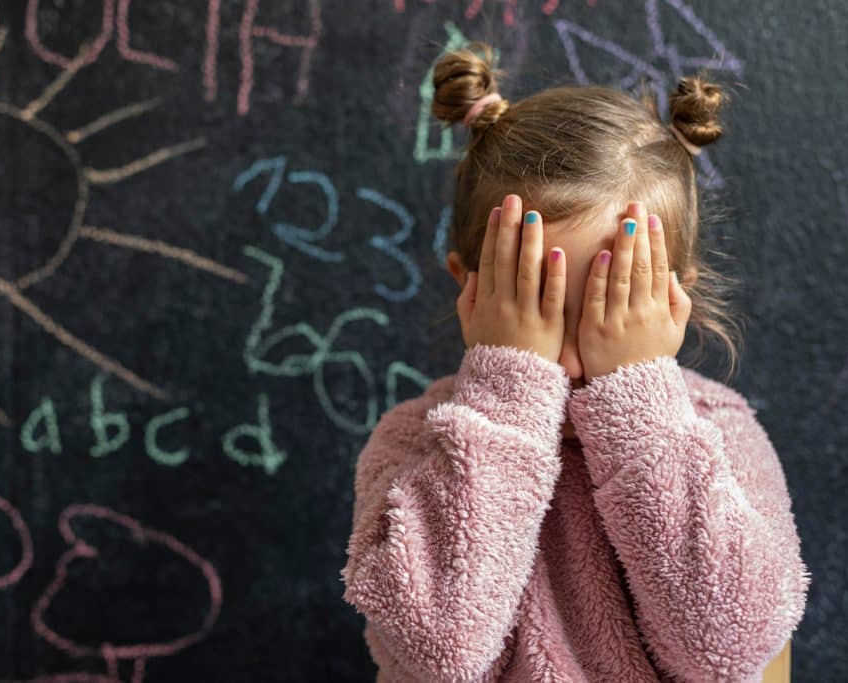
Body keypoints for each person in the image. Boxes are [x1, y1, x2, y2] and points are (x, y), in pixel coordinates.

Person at [339, 42, 811, 683]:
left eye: (611, 310)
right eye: (537, 307)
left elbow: (728, 646)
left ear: (676, 298)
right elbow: (436, 649)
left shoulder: (719, 433)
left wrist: (638, 404)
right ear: (469, 289)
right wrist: (509, 389)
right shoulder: (416, 441)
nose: (567, 356)